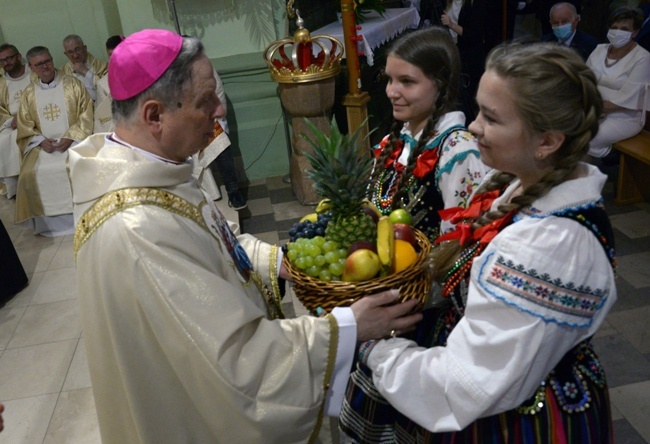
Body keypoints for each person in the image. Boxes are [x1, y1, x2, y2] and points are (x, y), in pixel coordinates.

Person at [68, 29, 422, 443]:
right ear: (153, 116)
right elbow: (237, 367)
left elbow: (214, 243)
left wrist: (280, 263)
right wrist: (347, 327)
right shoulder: (137, 228)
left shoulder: (154, 167)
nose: (220, 110)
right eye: (205, 101)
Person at [340, 42, 616, 442]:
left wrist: (373, 348)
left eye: (491, 117)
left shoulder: (549, 246)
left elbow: (468, 383)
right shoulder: (521, 186)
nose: (473, 127)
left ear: (548, 141)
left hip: (523, 421)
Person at [367, 27, 488, 243]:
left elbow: (456, 244)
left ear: (440, 84)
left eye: (407, 81)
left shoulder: (457, 153)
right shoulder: (394, 142)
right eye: (390, 79)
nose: (391, 92)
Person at [15, 46, 93, 236]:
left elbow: (86, 113)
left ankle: (84, 217)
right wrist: (40, 141)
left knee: (77, 166)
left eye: (47, 61)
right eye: (39, 64)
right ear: (31, 68)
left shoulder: (72, 84)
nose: (45, 66)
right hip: (43, 145)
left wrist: (70, 136)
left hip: (73, 140)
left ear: (52, 60)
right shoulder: (29, 93)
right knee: (29, 173)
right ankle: (48, 225)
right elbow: (25, 124)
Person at [586, 6, 650, 159]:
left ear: (635, 33)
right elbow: (583, 81)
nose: (617, 31)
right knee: (561, 128)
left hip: (625, 116)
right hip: (591, 108)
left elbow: (625, 99)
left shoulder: (643, 58)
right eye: (614, 27)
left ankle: (591, 175)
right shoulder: (599, 49)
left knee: (587, 137)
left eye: (624, 28)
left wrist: (593, 107)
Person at [440, 0, 487, 121]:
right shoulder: (447, 2)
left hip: (469, 55)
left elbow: (474, 35)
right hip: (449, 49)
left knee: (465, 98)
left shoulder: (475, 4)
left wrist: (451, 24)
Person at [0, 44, 32, 199]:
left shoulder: (33, 74)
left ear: (19, 57)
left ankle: (30, 181)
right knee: (3, 140)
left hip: (34, 119)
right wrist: (9, 120)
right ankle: (15, 187)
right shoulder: (1, 83)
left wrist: (26, 118)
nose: (6, 63)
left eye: (9, 58)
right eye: (2, 61)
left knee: (17, 138)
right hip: (12, 122)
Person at [60, 34, 108, 102]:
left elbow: (108, 88)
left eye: (77, 50)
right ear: (66, 54)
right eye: (70, 52)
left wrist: (86, 72)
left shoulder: (101, 66)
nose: (75, 55)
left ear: (85, 48)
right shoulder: (63, 73)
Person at [93, 35, 123, 133]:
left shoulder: (141, 75)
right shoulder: (103, 84)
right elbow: (103, 119)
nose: (115, 58)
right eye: (111, 54)